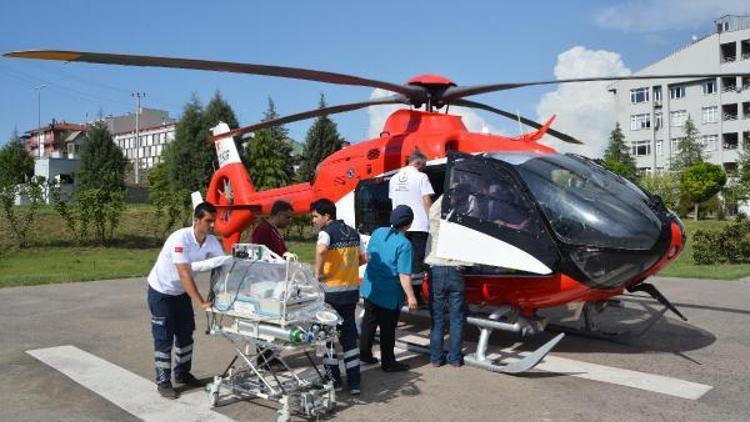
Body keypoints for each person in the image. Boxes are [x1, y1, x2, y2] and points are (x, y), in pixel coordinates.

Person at [146, 202, 224, 399]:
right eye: (208, 221)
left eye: (214, 221)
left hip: (181, 294)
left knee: (185, 335)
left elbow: (224, 266)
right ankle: (163, 382)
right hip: (161, 292)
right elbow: (184, 273)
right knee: (164, 338)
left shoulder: (211, 241)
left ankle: (182, 374)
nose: (212, 225)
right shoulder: (180, 239)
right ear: (196, 220)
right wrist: (201, 302)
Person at [312, 198, 367, 395]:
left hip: (330, 294)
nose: (314, 220)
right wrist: (348, 269)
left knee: (328, 337)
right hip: (351, 292)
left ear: (327, 216)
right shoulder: (353, 232)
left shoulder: (326, 233)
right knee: (349, 338)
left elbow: (321, 250)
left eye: (316, 216)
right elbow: (364, 258)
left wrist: (318, 273)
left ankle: (333, 380)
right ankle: (354, 383)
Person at [359, 205, 418, 372]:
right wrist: (411, 296)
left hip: (371, 287)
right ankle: (388, 362)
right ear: (408, 224)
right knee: (387, 329)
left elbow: (369, 256)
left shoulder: (378, 232)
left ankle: (364, 353)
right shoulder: (405, 244)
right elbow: (404, 275)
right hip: (389, 294)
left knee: (369, 323)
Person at [425, 195, 473, 367]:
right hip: (457, 272)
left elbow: (433, 211)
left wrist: (449, 191)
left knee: (437, 318)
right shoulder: (464, 228)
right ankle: (454, 358)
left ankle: (436, 359)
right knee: (457, 317)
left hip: (437, 269)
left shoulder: (438, 226)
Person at [389, 149, 434, 299]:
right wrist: (432, 221)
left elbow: (393, 201)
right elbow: (426, 201)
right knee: (416, 263)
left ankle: (401, 295)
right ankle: (414, 296)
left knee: (400, 260)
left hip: (398, 226)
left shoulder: (393, 178)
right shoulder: (421, 177)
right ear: (418, 163)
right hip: (418, 225)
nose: (424, 169)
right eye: (424, 166)